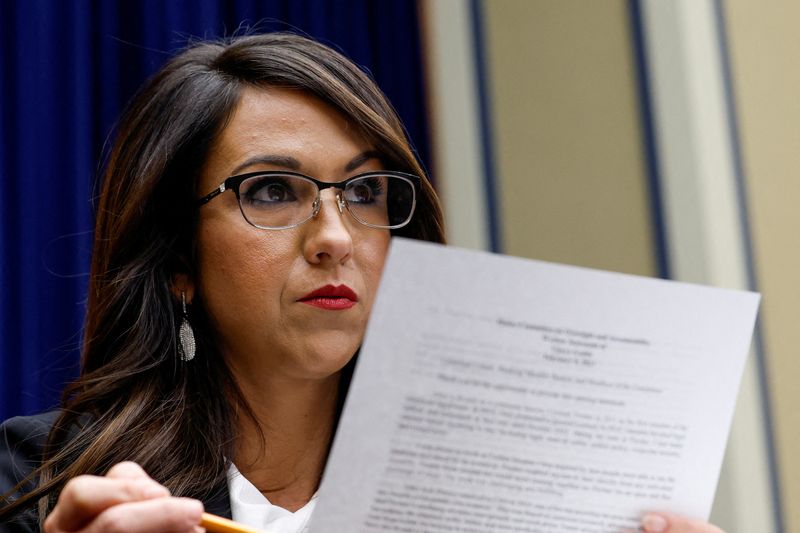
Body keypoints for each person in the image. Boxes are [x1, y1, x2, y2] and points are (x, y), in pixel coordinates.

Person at [0, 33, 723, 533]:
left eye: (367, 191)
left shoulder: (511, 494)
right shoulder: (43, 482)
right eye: (274, 191)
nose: (337, 239)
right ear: (176, 260)